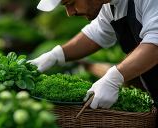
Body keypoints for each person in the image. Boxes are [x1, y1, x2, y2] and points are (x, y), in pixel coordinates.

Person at [29, 0, 158, 111]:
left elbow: (155, 42)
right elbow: (97, 33)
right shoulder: (109, 5)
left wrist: (114, 78)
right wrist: (55, 55)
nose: (70, 12)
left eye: (70, 3)